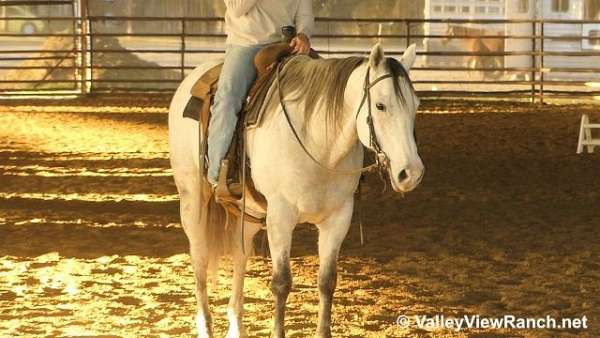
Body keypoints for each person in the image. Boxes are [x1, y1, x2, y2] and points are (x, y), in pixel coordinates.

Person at [207, 0, 314, 186]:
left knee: (325, 86)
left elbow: (304, 11)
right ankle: (217, 173)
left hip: (286, 45)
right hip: (247, 44)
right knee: (228, 98)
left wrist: (303, 34)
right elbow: (237, 8)